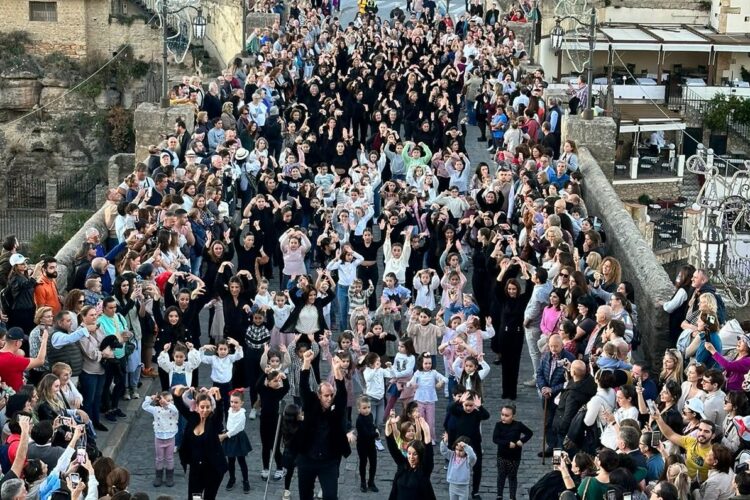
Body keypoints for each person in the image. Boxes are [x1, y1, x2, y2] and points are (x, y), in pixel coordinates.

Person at [290, 348, 351, 500]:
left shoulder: (336, 410)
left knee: (330, 496)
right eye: (325, 395)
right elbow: (303, 386)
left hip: (329, 461)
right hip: (307, 458)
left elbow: (342, 394)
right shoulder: (311, 405)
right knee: (305, 495)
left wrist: (337, 370)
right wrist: (306, 362)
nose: (329, 398)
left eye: (331, 395)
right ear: (318, 395)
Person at [172, 385, 227, 499]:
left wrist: (217, 394)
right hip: (196, 469)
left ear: (211, 407)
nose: (205, 410)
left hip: (213, 469)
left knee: (208, 497)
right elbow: (179, 404)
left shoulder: (214, 422)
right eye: (202, 407)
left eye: (208, 407)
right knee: (194, 497)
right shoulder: (193, 418)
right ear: (196, 407)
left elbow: (220, 410)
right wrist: (178, 392)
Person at [384, 411, 437, 500]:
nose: (411, 457)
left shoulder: (423, 470)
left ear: (420, 455)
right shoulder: (403, 465)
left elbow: (429, 454)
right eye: (409, 453)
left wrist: (427, 432)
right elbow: (392, 448)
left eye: (415, 454)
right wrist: (388, 426)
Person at [653, 409, 716, 481]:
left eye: (706, 431)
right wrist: (658, 419)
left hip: (698, 487)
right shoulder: (691, 441)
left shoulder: (713, 453)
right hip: (682, 480)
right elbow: (670, 435)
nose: (701, 433)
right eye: (700, 429)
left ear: (713, 435)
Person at [492, 404, 533, 500]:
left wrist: (522, 441)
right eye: (502, 414)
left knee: (512, 477)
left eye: (507, 415)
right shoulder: (498, 425)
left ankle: (512, 496)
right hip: (502, 455)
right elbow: (495, 439)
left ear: (513, 416)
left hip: (514, 457)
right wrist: (507, 443)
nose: (503, 417)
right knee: (501, 476)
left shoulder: (518, 425)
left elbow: (529, 433)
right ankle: (499, 495)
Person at [141, 391, 179, 488]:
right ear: (161, 401)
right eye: (168, 400)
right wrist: (151, 398)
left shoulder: (173, 410)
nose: (170, 402)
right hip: (159, 438)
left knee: (170, 458)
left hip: (170, 438)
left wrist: (168, 404)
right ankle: (159, 476)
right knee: (159, 458)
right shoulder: (156, 410)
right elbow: (144, 406)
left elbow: (176, 410)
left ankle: (169, 476)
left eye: (172, 400)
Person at [220, 390, 252, 493]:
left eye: (236, 402)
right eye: (232, 402)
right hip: (229, 436)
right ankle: (232, 478)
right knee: (231, 461)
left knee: (241, 461)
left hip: (238, 438)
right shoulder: (230, 410)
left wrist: (224, 435)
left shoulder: (241, 414)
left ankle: (246, 481)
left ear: (242, 403)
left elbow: (236, 429)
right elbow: (229, 424)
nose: (233, 404)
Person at [0, 327, 48, 391]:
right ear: (17, 342)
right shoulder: (14, 360)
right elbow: (40, 361)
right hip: (15, 397)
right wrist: (44, 340)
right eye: (21, 341)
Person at [440, 432, 477, 500]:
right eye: (456, 449)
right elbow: (444, 451)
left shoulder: (468, 460)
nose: (458, 452)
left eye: (461, 450)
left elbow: (473, 457)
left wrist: (466, 447)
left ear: (465, 451)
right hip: (452, 485)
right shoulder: (452, 455)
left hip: (463, 487)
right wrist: (444, 442)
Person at [355, 395, 380, 493]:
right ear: (359, 409)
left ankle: (371, 482)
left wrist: (375, 428)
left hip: (371, 444)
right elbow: (365, 434)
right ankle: (362, 482)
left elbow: (372, 425)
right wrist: (376, 434)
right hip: (362, 445)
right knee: (363, 463)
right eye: (364, 408)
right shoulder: (359, 420)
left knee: (373, 463)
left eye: (368, 407)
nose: (367, 410)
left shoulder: (370, 415)